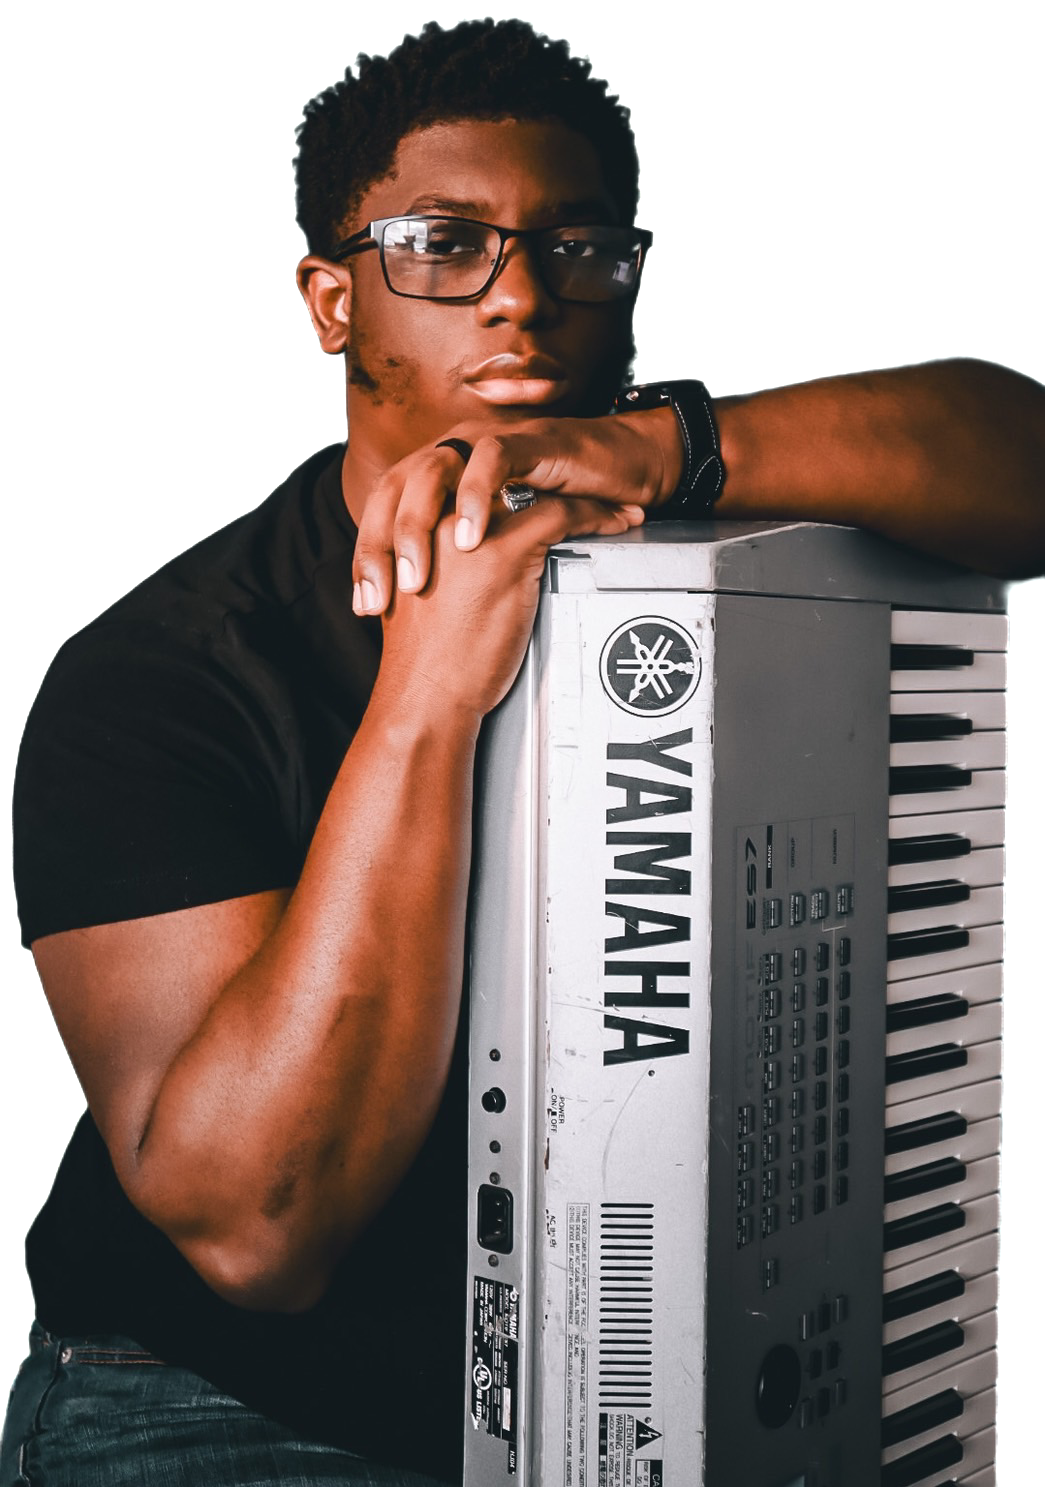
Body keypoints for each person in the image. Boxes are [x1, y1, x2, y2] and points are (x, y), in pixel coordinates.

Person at [5, 10, 1042, 1487]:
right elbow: (256, 1233)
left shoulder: (691, 513)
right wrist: (429, 692)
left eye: (573, 245)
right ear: (329, 300)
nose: (518, 300)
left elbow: (1027, 453)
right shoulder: (157, 674)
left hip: (624, 1388)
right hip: (224, 1403)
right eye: (442, 243)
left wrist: (675, 450)